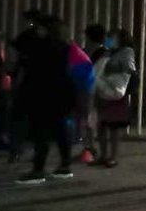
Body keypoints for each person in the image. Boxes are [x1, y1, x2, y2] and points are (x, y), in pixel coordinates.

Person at [13, 14, 94, 184]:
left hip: (42, 93)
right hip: (62, 93)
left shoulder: (40, 47)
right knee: (59, 130)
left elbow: (20, 47)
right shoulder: (65, 46)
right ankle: (64, 166)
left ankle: (38, 170)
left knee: (41, 132)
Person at [90, 28, 137, 168]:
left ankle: (113, 157)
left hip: (116, 94)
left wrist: (107, 69)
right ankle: (103, 155)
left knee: (114, 127)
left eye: (113, 38)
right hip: (102, 91)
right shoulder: (105, 52)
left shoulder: (127, 53)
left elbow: (128, 72)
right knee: (102, 125)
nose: (109, 40)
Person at [77, 23, 107, 164]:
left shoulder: (99, 54)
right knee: (88, 119)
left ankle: (90, 148)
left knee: (90, 120)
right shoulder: (104, 53)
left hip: (91, 90)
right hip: (92, 90)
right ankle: (89, 148)